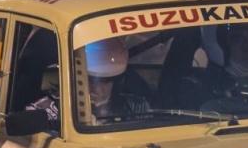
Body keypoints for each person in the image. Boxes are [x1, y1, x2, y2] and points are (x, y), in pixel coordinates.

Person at [14, 37, 150, 131]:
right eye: (89, 79)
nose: (96, 87)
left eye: (104, 81)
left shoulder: (136, 108)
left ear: (117, 81)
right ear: (74, 75)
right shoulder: (47, 110)